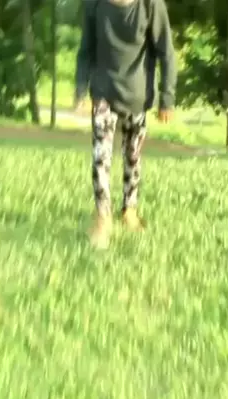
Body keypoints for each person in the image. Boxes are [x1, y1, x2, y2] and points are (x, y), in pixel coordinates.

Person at [75, 0, 177, 249]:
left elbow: (166, 52)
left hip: (137, 96)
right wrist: (80, 89)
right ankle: (103, 217)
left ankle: (129, 210)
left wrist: (167, 98)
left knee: (132, 156)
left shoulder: (150, 6)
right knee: (101, 156)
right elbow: (86, 49)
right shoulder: (94, 5)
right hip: (103, 92)